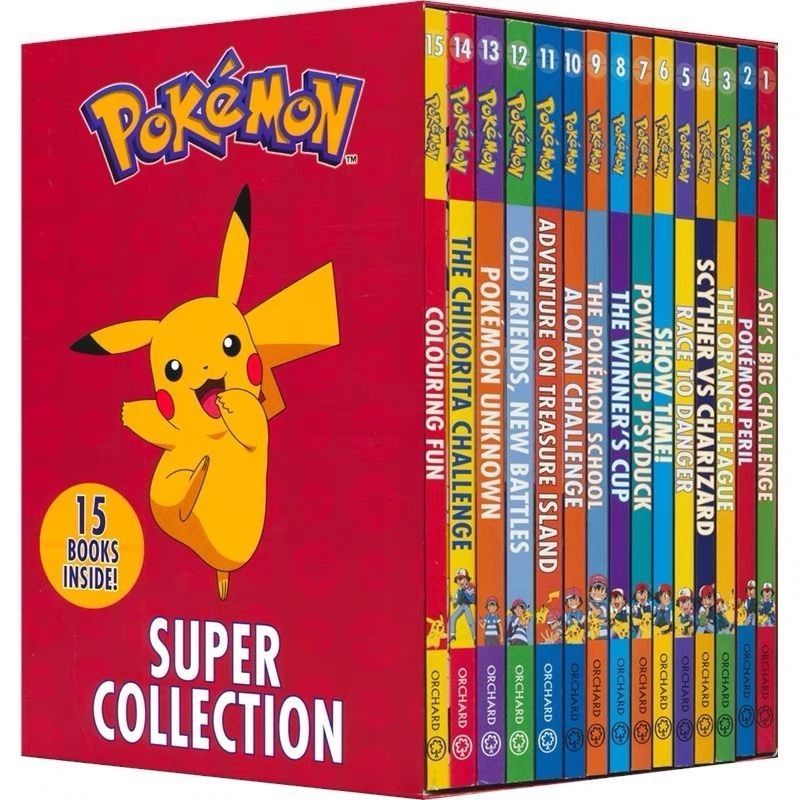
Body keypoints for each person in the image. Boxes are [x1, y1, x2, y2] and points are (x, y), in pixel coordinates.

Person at [449, 568, 476, 642]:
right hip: (461, 606)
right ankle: (452, 635)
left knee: (471, 621)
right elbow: (455, 602)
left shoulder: (469, 588)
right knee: (452, 618)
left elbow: (472, 596)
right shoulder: (458, 591)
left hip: (466, 606)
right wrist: (451, 599)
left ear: (466, 579)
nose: (458, 581)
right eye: (457, 580)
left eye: (460, 578)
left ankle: (474, 637)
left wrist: (470, 590)